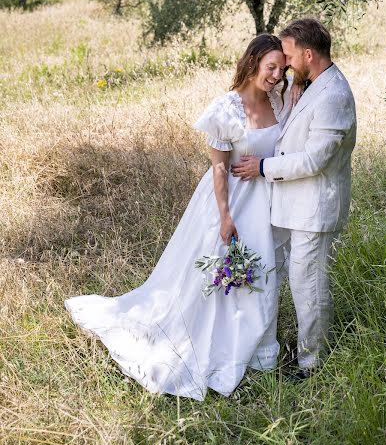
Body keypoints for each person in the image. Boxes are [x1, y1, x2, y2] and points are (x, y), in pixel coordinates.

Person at [65, 33, 293, 400]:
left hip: (268, 202)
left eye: (281, 70)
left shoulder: (279, 100)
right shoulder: (224, 110)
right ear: (252, 63)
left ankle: (259, 352)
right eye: (271, 68)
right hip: (233, 202)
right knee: (223, 277)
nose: (276, 76)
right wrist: (225, 217)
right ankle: (215, 344)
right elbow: (219, 170)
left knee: (265, 272)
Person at [232, 18, 357, 377]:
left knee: (308, 284)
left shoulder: (333, 95)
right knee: (274, 271)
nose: (284, 64)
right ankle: (263, 344)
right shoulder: (310, 85)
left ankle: (310, 364)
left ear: (307, 54)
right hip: (292, 205)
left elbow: (316, 159)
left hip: (314, 209)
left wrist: (263, 167)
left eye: (287, 56)